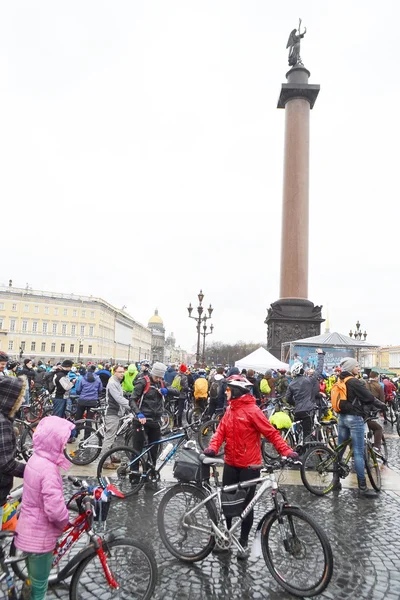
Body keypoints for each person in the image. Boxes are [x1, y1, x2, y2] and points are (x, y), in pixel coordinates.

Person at [204, 375, 297, 559]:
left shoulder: (253, 411)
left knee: (247, 506)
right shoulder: (230, 409)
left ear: (237, 391)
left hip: (249, 466)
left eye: (229, 389)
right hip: (230, 463)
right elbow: (220, 432)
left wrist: (286, 451)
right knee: (227, 503)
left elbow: (270, 433)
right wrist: (213, 448)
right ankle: (226, 538)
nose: (226, 392)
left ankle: (244, 542)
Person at [14, 416, 74, 600]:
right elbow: (54, 509)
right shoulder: (49, 470)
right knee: (39, 588)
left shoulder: (35, 459)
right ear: (53, 442)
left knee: (33, 580)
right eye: (62, 442)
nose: (64, 447)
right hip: (40, 538)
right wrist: (65, 521)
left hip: (28, 529)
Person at [335, 358, 386, 497]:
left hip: (342, 418)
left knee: (340, 449)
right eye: (356, 366)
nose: (359, 368)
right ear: (351, 368)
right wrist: (382, 405)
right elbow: (368, 397)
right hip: (354, 418)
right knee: (358, 451)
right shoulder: (353, 381)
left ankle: (335, 482)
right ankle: (362, 487)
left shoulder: (340, 380)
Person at [130, 362, 167, 466]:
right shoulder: (143, 382)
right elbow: (132, 400)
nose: (159, 379)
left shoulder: (161, 383)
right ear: (153, 373)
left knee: (154, 449)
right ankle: (134, 471)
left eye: (160, 377)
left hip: (155, 421)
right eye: (157, 377)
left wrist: (166, 390)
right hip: (142, 420)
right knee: (137, 449)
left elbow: (176, 391)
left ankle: (151, 470)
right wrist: (139, 414)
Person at [0, 377, 26, 522]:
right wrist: (31, 472)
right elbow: (6, 464)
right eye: (19, 398)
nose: (22, 401)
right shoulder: (2, 423)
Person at [286, 350, 325, 443]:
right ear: (302, 371)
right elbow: (319, 370)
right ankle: (305, 453)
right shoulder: (309, 380)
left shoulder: (291, 384)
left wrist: (296, 403)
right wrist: (321, 355)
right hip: (307, 410)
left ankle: (296, 445)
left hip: (297, 411)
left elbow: (287, 398)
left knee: (297, 431)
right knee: (307, 434)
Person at [101, 364, 130, 469]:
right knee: (109, 438)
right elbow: (118, 398)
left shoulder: (117, 382)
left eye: (123, 372)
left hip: (117, 413)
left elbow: (121, 395)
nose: (122, 374)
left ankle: (111, 455)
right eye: (120, 372)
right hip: (112, 413)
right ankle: (105, 462)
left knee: (113, 437)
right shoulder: (112, 383)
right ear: (114, 372)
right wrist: (131, 405)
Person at [366, 371, 386, 453]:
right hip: (374, 409)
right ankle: (377, 447)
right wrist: (382, 411)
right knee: (378, 427)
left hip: (364, 409)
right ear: (376, 377)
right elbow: (382, 399)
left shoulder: (365, 384)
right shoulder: (379, 385)